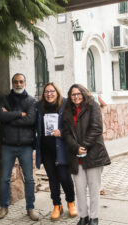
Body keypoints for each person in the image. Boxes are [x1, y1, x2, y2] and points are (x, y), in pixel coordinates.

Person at [62, 84, 111, 225]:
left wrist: (83, 146)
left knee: (94, 188)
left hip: (93, 153)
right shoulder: (67, 110)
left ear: (83, 93)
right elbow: (66, 133)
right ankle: (83, 217)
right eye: (73, 94)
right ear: (70, 96)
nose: (76, 96)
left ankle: (94, 218)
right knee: (79, 188)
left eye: (78, 93)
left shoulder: (93, 106)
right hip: (75, 155)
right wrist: (76, 147)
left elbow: (96, 128)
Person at [0, 73, 39, 221]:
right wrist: (20, 114)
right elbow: (0, 116)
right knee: (5, 178)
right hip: (8, 145)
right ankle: (4, 207)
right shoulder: (4, 99)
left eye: (21, 82)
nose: (18, 84)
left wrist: (10, 117)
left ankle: (30, 208)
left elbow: (31, 120)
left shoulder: (32, 101)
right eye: (15, 82)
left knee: (30, 179)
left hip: (26, 146)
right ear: (12, 83)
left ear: (25, 83)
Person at [35, 82, 78, 221]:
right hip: (47, 149)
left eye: (52, 91)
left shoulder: (65, 104)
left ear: (57, 92)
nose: (49, 94)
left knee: (65, 177)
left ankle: (70, 202)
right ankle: (56, 205)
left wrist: (63, 132)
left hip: (62, 149)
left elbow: (74, 125)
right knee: (53, 179)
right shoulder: (39, 107)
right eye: (46, 92)